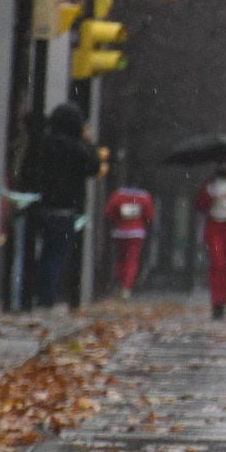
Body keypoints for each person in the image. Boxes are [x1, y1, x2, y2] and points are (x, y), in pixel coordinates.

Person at [24, 101, 99, 308]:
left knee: (43, 252)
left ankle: (36, 293)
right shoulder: (76, 148)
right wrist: (89, 143)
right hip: (64, 209)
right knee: (56, 254)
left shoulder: (44, 144)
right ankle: (46, 298)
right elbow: (93, 167)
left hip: (41, 205)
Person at [194, 161, 226, 321]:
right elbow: (200, 205)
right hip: (216, 226)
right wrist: (209, 194)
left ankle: (224, 296)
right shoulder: (212, 184)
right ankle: (217, 301)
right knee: (219, 263)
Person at [102, 179, 156, 299]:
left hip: (120, 231)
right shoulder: (144, 197)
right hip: (136, 233)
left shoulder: (118, 195)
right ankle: (126, 286)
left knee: (120, 258)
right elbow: (150, 216)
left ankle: (119, 282)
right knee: (131, 260)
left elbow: (109, 212)